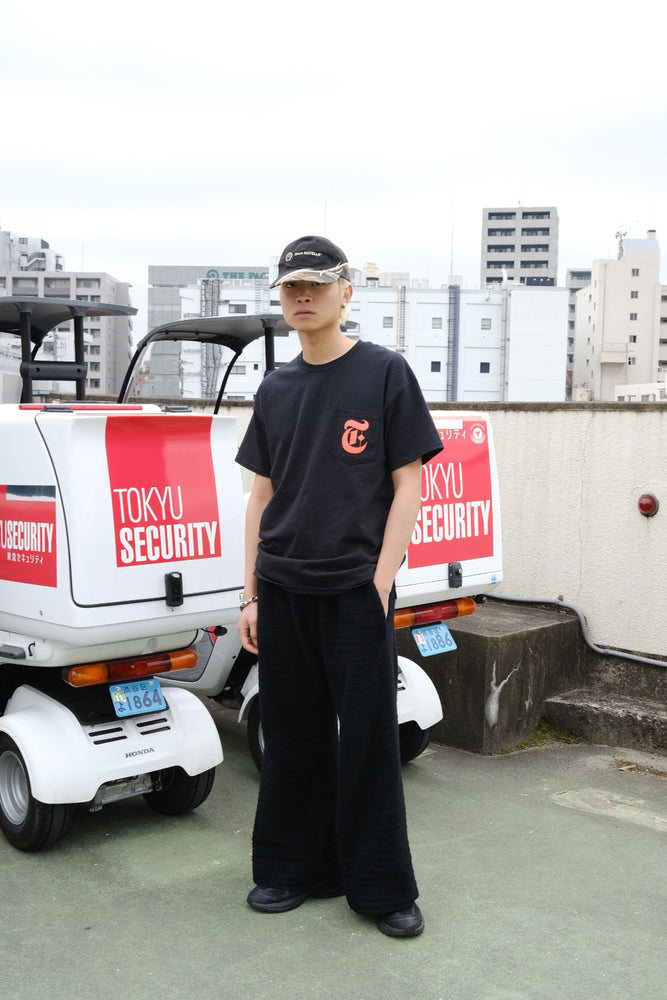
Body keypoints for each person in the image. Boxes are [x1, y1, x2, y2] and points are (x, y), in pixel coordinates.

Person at [236, 235, 443, 938]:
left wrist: (381, 581)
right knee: (291, 737)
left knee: (367, 741)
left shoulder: (384, 373)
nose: (301, 297)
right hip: (284, 588)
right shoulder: (276, 388)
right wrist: (250, 594)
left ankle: (381, 889)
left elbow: (408, 481)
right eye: (290, 287)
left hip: (355, 589)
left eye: (314, 285)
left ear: (345, 292)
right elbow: (261, 498)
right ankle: (295, 870)